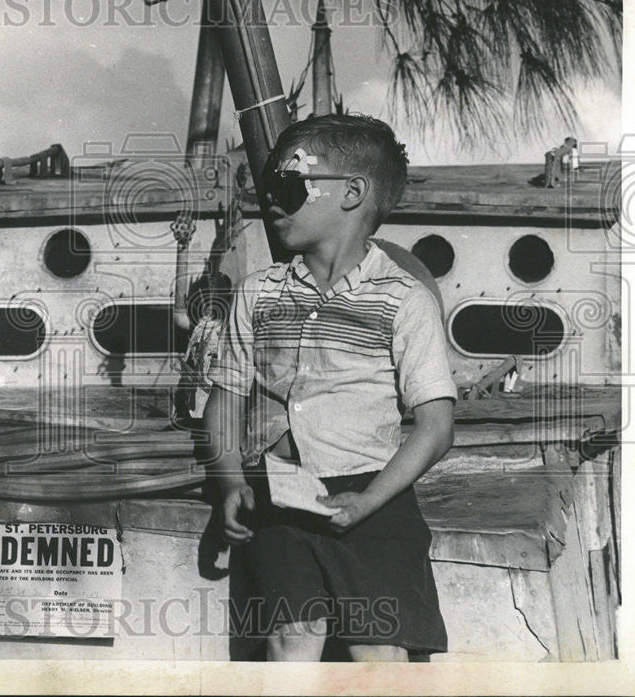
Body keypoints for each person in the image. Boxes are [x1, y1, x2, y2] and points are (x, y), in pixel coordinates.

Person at [204, 114, 456, 662]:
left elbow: (435, 428)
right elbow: (224, 403)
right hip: (278, 496)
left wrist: (369, 500)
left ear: (353, 193)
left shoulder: (401, 299)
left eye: (289, 186)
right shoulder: (257, 294)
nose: (271, 200)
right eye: (268, 187)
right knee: (288, 642)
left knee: (378, 653)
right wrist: (229, 483)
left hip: (375, 497)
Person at [170, 210, 232, 423]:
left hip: (217, 410)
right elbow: (179, 310)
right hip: (189, 406)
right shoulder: (196, 326)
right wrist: (183, 247)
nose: (208, 303)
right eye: (204, 297)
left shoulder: (229, 328)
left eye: (215, 298)